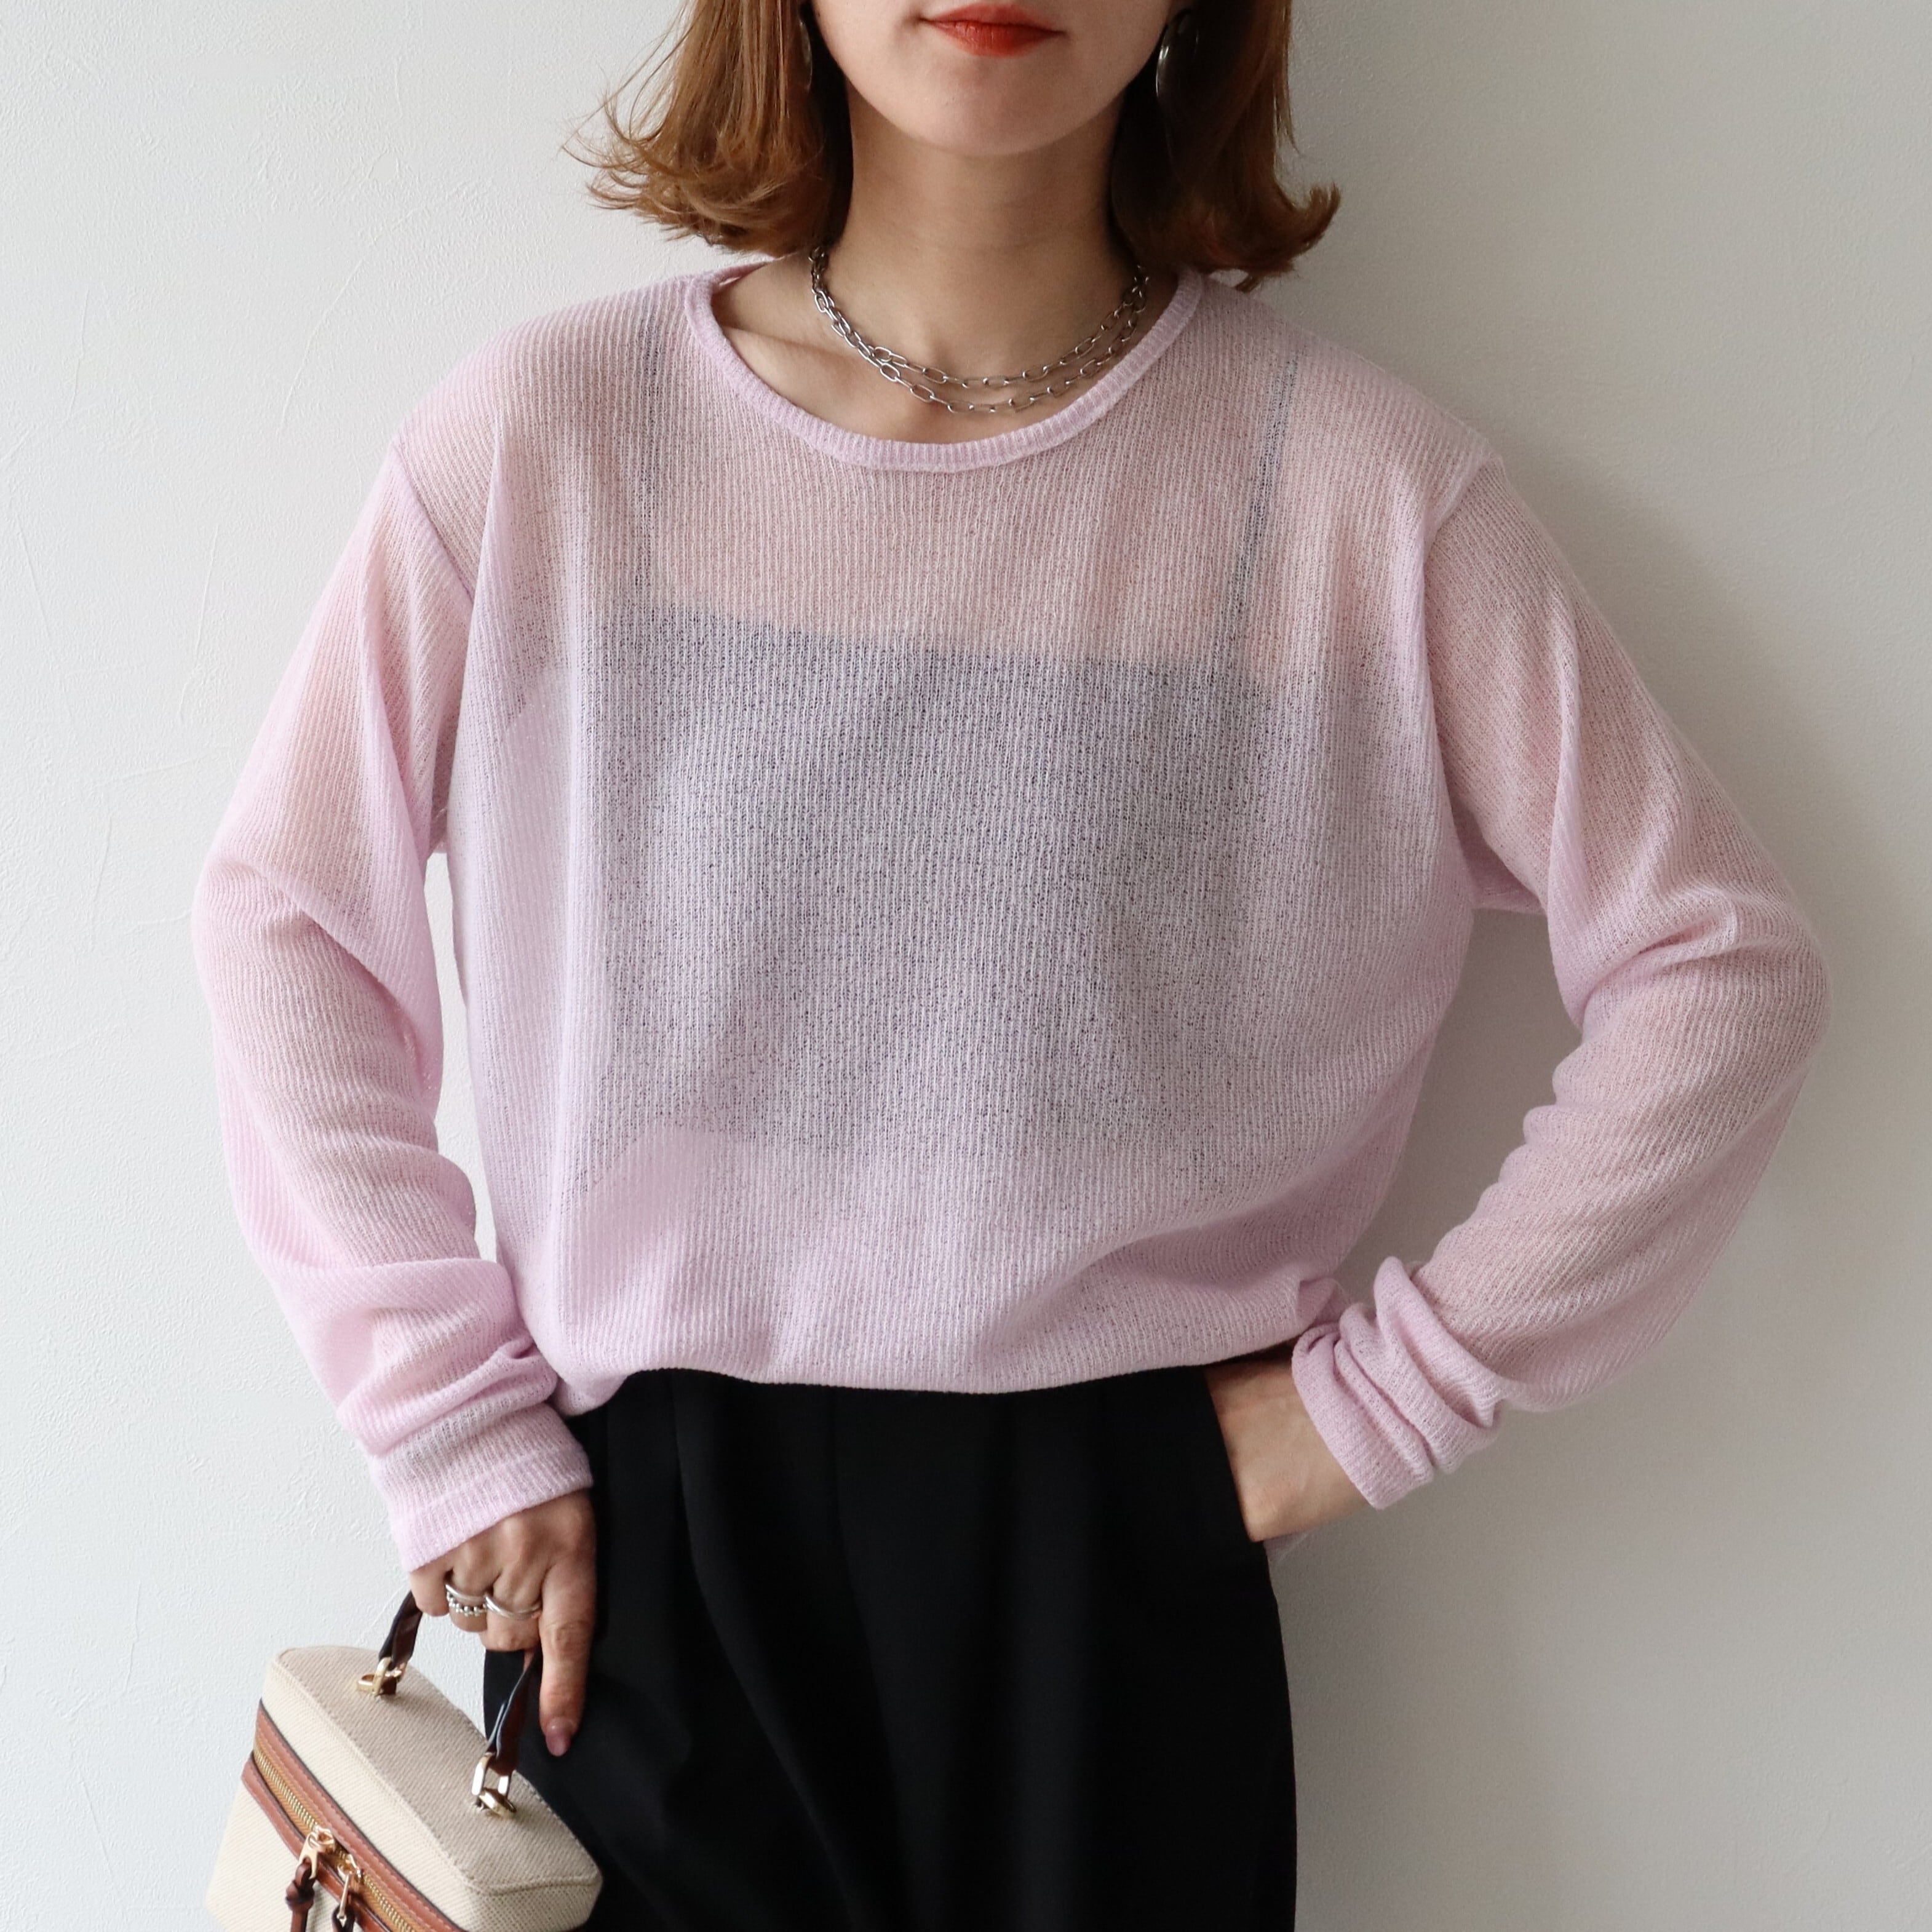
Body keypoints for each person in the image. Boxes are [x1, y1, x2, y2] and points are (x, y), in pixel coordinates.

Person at [189, 1, 1831, 1925]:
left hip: (1118, 1549)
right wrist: (444, 1417)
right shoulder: (551, 441)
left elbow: (1720, 965)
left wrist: (1388, 1398)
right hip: (641, 1559)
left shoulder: (1351, 493)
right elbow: (288, 917)